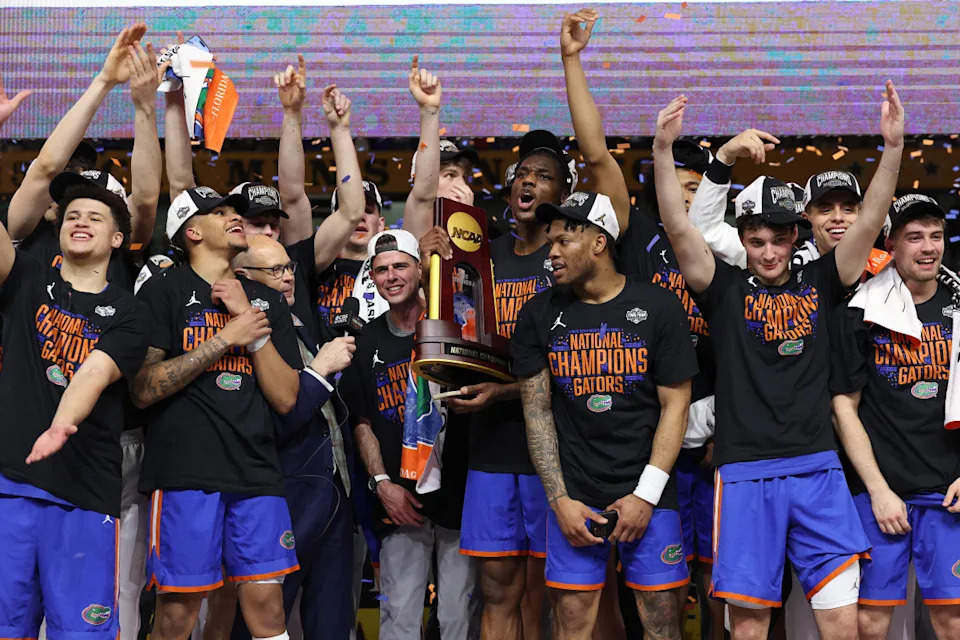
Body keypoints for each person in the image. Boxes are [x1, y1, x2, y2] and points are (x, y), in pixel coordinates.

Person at [651, 82, 903, 640]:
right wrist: (663, 153)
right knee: (748, 627)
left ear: (795, 237)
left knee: (841, 621)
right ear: (744, 240)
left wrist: (892, 149)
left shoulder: (823, 278)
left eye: (778, 240)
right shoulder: (724, 289)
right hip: (743, 474)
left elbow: (871, 219)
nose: (768, 252)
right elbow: (678, 227)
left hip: (818, 470)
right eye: (757, 241)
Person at [513, 190, 697, 640]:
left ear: (599, 243)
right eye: (549, 241)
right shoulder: (538, 313)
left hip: (649, 494)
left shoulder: (658, 307)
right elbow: (536, 413)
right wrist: (559, 502)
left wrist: (645, 496)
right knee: (571, 627)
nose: (551, 252)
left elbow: (677, 407)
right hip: (576, 496)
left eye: (562, 242)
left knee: (662, 627)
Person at [132, 186, 302, 640]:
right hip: (187, 471)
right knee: (177, 615)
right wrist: (225, 338)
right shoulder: (163, 292)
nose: (234, 217)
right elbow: (144, 388)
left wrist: (253, 329)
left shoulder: (263, 300)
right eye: (219, 212)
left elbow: (286, 397)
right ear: (191, 231)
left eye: (235, 212)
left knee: (268, 612)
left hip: (257, 470)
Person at [0, 177, 150, 640]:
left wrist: (62, 423)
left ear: (116, 239)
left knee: (80, 633)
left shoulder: (130, 311)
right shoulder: (25, 277)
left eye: (95, 216)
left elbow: (94, 372)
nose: (80, 221)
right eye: (71, 215)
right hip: (11, 485)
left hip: (83, 492)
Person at [831, 193, 960, 640]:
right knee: (870, 621)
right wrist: (878, 490)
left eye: (936, 236)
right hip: (878, 494)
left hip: (947, 492)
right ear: (891, 243)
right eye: (915, 237)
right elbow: (843, 406)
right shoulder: (860, 312)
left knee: (953, 620)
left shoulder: (959, 306)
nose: (929, 247)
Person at [342, 229, 475, 640]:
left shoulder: (455, 325)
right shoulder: (366, 342)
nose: (391, 276)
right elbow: (361, 421)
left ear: (420, 269)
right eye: (381, 270)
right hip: (401, 503)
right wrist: (382, 484)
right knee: (399, 619)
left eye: (400, 265)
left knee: (458, 618)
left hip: (459, 497)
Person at [619, 137, 723, 639]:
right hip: (655, 437)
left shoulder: (726, 250)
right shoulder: (641, 238)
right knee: (663, 580)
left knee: (717, 576)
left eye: (700, 190)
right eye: (683, 187)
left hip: (714, 439)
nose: (689, 198)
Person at [230, 235, 358, 639]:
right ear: (242, 277)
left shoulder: (299, 323)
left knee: (334, 621)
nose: (287, 278)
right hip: (281, 494)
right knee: (265, 623)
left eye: (288, 268)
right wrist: (320, 373)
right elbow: (277, 420)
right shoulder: (243, 337)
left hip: (334, 494)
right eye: (274, 271)